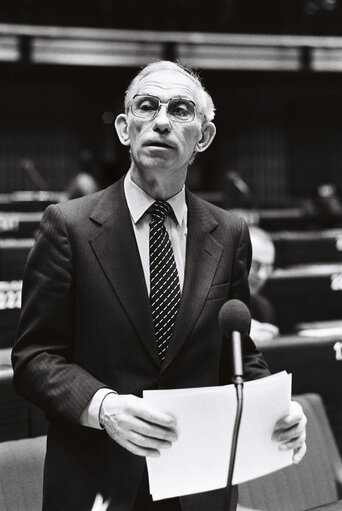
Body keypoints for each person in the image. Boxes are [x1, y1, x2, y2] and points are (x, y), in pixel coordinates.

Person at [12, 61, 306, 511]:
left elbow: (236, 351)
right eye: (146, 107)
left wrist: (276, 409)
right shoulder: (66, 226)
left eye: (181, 110)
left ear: (203, 138)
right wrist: (104, 406)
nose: (162, 122)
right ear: (125, 129)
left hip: (200, 485)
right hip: (99, 480)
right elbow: (35, 358)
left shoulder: (229, 233)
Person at [248, 225, 280, 343]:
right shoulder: (204, 305)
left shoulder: (264, 308)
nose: (262, 275)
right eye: (255, 265)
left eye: (268, 267)